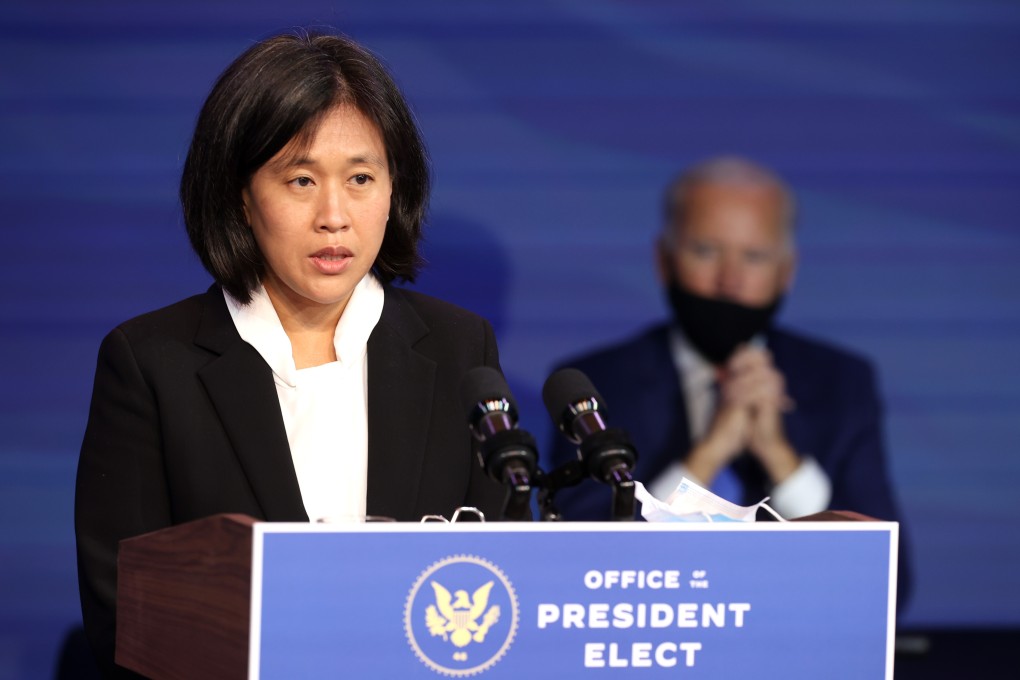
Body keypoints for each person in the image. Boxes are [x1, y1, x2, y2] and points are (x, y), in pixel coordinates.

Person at [75, 31, 506, 677]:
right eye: (300, 180)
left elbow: (500, 580)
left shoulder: (459, 348)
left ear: (396, 190)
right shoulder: (152, 363)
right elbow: (126, 610)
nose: (334, 215)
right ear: (240, 197)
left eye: (361, 178)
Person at [545, 156, 911, 603]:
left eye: (754, 256)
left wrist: (780, 458)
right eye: (706, 251)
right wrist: (711, 451)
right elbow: (586, 569)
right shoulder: (596, 384)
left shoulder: (841, 381)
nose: (730, 281)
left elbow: (890, 581)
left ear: (786, 272)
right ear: (664, 260)